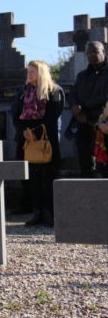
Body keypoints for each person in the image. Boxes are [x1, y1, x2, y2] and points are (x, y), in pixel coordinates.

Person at [12, 61, 64, 227]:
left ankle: (49, 214)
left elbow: (52, 116)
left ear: (41, 72)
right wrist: (24, 132)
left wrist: (34, 132)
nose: (29, 74)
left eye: (33, 71)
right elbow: (15, 114)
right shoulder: (23, 92)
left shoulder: (54, 91)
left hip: (47, 140)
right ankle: (37, 212)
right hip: (27, 141)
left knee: (48, 178)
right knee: (33, 179)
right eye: (28, 71)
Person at [69, 41, 108, 177]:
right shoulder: (82, 75)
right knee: (85, 166)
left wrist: (83, 106)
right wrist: (75, 108)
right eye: (89, 53)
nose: (92, 55)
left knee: (104, 168)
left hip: (102, 126)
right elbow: (73, 94)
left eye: (96, 52)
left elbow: (105, 96)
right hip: (83, 124)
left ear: (104, 52)